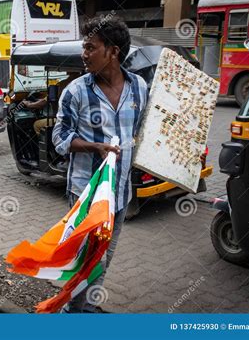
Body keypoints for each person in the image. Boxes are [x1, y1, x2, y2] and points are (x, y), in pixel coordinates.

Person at [52, 17, 148, 313]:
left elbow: (142, 132)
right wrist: (95, 147)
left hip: (120, 195)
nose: (84, 54)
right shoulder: (76, 91)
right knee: (85, 264)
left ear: (113, 51)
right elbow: (59, 138)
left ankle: (88, 311)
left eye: (90, 48)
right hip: (86, 197)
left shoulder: (140, 88)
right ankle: (72, 314)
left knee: (103, 261)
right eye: (84, 47)